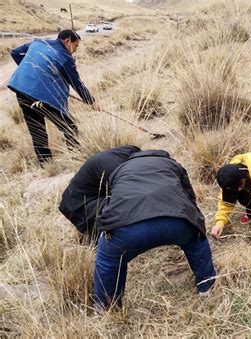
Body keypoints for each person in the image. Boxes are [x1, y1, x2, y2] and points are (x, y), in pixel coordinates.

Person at [94, 150, 216, 309]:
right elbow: (189, 197)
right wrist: (195, 223)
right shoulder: (171, 164)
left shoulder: (119, 170)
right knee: (196, 240)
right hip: (176, 222)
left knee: (108, 260)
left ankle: (107, 307)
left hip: (127, 230)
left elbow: (113, 202)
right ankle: (207, 286)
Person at [7, 29, 99, 164]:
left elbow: (15, 52)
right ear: (67, 41)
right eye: (76, 46)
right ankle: (76, 158)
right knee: (69, 127)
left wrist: (32, 71)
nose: (75, 51)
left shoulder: (38, 42)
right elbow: (77, 83)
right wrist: (91, 101)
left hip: (21, 90)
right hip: (42, 96)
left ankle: (45, 165)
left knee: (37, 130)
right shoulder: (65, 58)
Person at [59, 145, 141, 242]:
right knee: (127, 203)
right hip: (80, 207)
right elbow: (128, 197)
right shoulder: (116, 169)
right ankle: (109, 240)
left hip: (84, 199)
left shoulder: (127, 153)